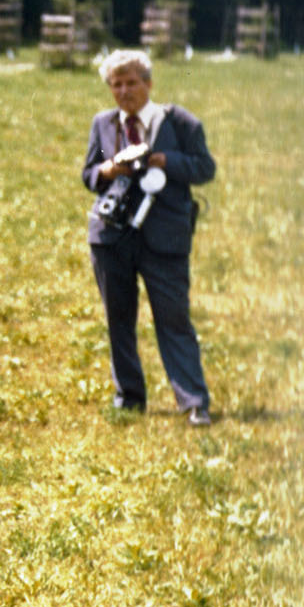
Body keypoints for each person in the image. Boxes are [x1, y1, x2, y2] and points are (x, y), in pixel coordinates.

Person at [82, 48, 215, 425]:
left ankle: (193, 402)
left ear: (149, 83)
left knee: (173, 318)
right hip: (112, 237)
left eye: (131, 82)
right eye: (116, 84)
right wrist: (110, 169)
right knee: (118, 319)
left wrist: (165, 161)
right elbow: (89, 175)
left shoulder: (179, 123)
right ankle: (129, 398)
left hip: (165, 237)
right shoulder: (104, 124)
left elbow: (205, 168)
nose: (124, 91)